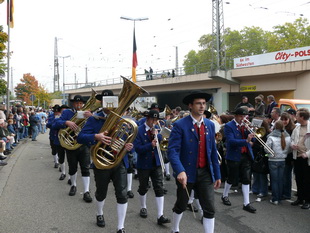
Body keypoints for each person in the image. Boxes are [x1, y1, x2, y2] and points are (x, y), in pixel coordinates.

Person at [77, 90, 133, 233]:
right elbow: (80, 137)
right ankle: (99, 213)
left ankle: (121, 226)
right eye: (106, 100)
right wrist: (97, 136)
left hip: (118, 160)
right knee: (101, 192)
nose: (109, 103)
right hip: (101, 160)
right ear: (102, 103)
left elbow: (131, 139)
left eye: (112, 100)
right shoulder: (94, 119)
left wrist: (128, 146)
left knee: (122, 193)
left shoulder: (122, 119)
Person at [168, 91, 221, 233]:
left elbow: (212, 152)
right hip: (187, 171)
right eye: (198, 103)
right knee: (181, 204)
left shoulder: (210, 125)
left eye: (204, 103)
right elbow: (172, 151)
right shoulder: (180, 125)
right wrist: (180, 170)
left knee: (209, 208)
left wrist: (217, 174)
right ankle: (175, 229)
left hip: (205, 172)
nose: (202, 106)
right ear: (190, 105)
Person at [53, 95, 93, 203]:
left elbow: (96, 125)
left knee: (85, 167)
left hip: (83, 144)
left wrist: (92, 116)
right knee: (72, 166)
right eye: (76, 103)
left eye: (80, 103)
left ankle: (86, 191)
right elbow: (55, 123)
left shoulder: (88, 112)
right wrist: (66, 122)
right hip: (71, 144)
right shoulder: (67, 113)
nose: (79, 105)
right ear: (73, 104)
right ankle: (73, 185)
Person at [134, 109, 170, 226]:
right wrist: (151, 145)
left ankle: (160, 215)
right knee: (143, 187)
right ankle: (143, 207)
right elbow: (138, 149)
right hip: (144, 164)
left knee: (159, 187)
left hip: (157, 163)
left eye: (156, 120)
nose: (154, 122)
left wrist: (159, 137)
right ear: (147, 119)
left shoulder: (158, 131)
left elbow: (163, 145)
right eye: (152, 120)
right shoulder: (139, 131)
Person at [221, 107, 256, 213]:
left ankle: (246, 203)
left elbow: (253, 139)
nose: (243, 118)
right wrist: (246, 140)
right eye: (241, 116)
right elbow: (231, 141)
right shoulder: (228, 126)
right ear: (235, 116)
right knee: (232, 178)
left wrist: (251, 131)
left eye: (244, 116)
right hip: (234, 155)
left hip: (245, 155)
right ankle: (225, 195)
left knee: (246, 179)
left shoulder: (246, 126)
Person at [265, 120, 291, 205]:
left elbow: (266, 149)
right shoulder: (287, 136)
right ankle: (279, 198)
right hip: (283, 160)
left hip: (273, 160)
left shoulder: (271, 137)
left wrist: (268, 155)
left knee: (274, 181)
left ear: (275, 126)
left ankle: (275, 198)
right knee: (280, 180)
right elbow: (289, 149)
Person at [290, 108, 310, 209]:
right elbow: (292, 140)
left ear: (302, 117)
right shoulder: (296, 128)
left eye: (297, 115)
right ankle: (300, 198)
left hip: (307, 159)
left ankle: (307, 200)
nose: (295, 117)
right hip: (297, 157)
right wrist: (292, 145)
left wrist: (307, 154)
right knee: (298, 178)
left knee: (307, 180)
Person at [280, 112, 296, 200]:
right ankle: (283, 192)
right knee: (282, 175)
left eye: (285, 119)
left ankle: (287, 193)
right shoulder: (280, 128)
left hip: (289, 156)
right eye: (282, 119)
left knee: (286, 175)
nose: (284, 121)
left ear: (289, 120)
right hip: (281, 155)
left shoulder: (292, 129)